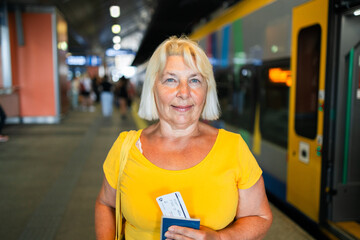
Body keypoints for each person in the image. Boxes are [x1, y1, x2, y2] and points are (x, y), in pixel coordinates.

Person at [95, 36, 272, 240]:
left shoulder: (233, 148)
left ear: (207, 90)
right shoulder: (125, 147)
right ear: (153, 88)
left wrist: (221, 238)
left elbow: (260, 216)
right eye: (171, 80)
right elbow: (105, 204)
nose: (184, 92)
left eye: (195, 80)